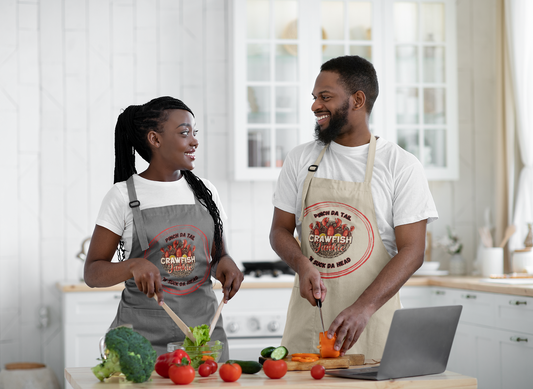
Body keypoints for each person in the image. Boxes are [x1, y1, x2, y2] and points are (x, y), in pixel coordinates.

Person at [270, 56, 438, 359]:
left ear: (357, 99)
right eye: (314, 97)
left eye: (325, 97)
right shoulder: (300, 159)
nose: (314, 106)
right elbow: (280, 230)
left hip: (371, 325)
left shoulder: (400, 165)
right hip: (309, 326)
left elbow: (413, 251)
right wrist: (301, 263)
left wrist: (364, 308)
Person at [84, 96, 243, 358]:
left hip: (203, 337)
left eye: (195, 132)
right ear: (155, 140)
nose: (194, 141)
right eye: (184, 133)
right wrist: (132, 265)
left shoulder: (206, 192)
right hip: (141, 341)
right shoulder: (123, 195)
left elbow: (217, 257)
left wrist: (225, 264)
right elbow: (92, 273)